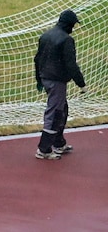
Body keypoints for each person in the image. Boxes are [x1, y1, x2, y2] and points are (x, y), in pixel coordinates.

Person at [33, 9, 86, 160]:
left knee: (62, 109)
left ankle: (58, 143)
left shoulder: (46, 35)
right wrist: (81, 84)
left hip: (46, 77)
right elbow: (71, 65)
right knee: (55, 113)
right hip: (57, 81)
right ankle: (44, 149)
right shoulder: (66, 40)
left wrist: (39, 79)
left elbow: (37, 59)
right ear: (69, 24)